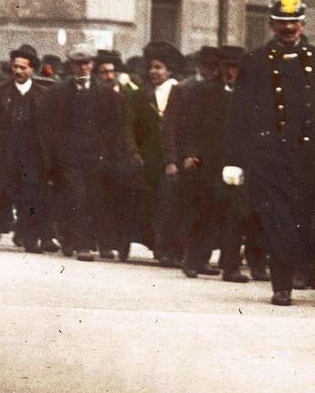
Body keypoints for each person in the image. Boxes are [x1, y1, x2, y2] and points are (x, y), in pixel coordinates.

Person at [224, 0, 314, 307]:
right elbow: (239, 114)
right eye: (281, 22)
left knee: (306, 222)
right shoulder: (255, 61)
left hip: (308, 158)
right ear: (272, 24)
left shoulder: (313, 59)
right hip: (269, 159)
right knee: (278, 224)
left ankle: (303, 274)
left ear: (302, 23)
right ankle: (282, 286)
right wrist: (233, 160)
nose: (288, 28)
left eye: (294, 22)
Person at [42, 42, 128, 261]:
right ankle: (81, 245)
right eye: (77, 64)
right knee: (76, 197)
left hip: (97, 155)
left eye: (86, 63)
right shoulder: (59, 91)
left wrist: (108, 153)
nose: (82, 68)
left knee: (99, 198)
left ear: (92, 65)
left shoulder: (106, 93)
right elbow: (51, 126)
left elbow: (115, 126)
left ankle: (104, 244)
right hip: (69, 156)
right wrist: (57, 155)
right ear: (71, 66)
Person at [176, 45, 246, 281]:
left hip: (237, 163)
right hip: (209, 161)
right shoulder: (206, 92)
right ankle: (194, 260)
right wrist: (191, 153)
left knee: (235, 213)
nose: (230, 72)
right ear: (219, 68)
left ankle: (231, 266)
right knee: (206, 211)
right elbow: (191, 126)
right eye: (226, 67)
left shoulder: (248, 94)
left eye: (234, 68)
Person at [0, 44, 49, 252]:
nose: (18, 71)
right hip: (5, 153)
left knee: (30, 195)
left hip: (31, 155)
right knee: (1, 193)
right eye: (15, 67)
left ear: (32, 70)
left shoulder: (43, 95)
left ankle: (29, 238)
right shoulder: (0, 92)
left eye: (23, 68)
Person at [128, 40, 185, 263]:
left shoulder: (180, 91)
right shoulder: (141, 95)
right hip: (149, 157)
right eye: (151, 67)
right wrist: (135, 151)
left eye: (159, 67)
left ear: (169, 70)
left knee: (173, 204)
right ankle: (159, 246)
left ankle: (173, 246)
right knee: (154, 203)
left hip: (174, 157)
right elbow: (131, 126)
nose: (154, 72)